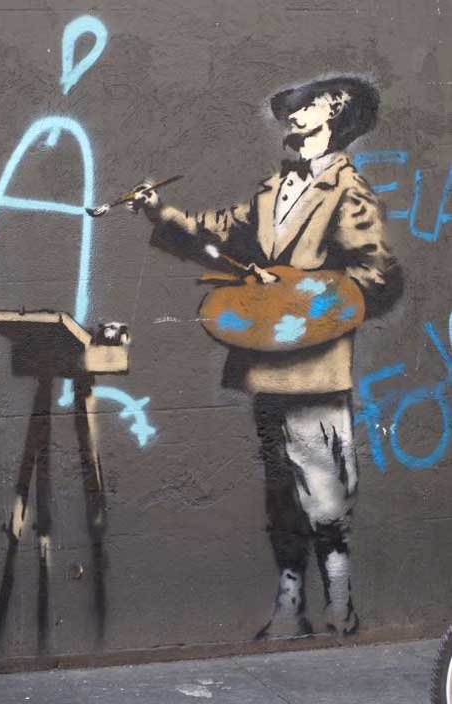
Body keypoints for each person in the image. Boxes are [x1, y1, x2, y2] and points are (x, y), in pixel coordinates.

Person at [126, 76, 403, 639]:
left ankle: (339, 606)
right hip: (267, 360)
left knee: (324, 494)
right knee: (282, 490)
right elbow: (220, 231)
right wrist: (160, 213)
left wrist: (302, 293)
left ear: (335, 113)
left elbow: (375, 275)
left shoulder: (348, 190)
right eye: (292, 108)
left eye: (307, 106)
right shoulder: (275, 187)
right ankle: (289, 602)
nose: (294, 115)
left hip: (314, 363)